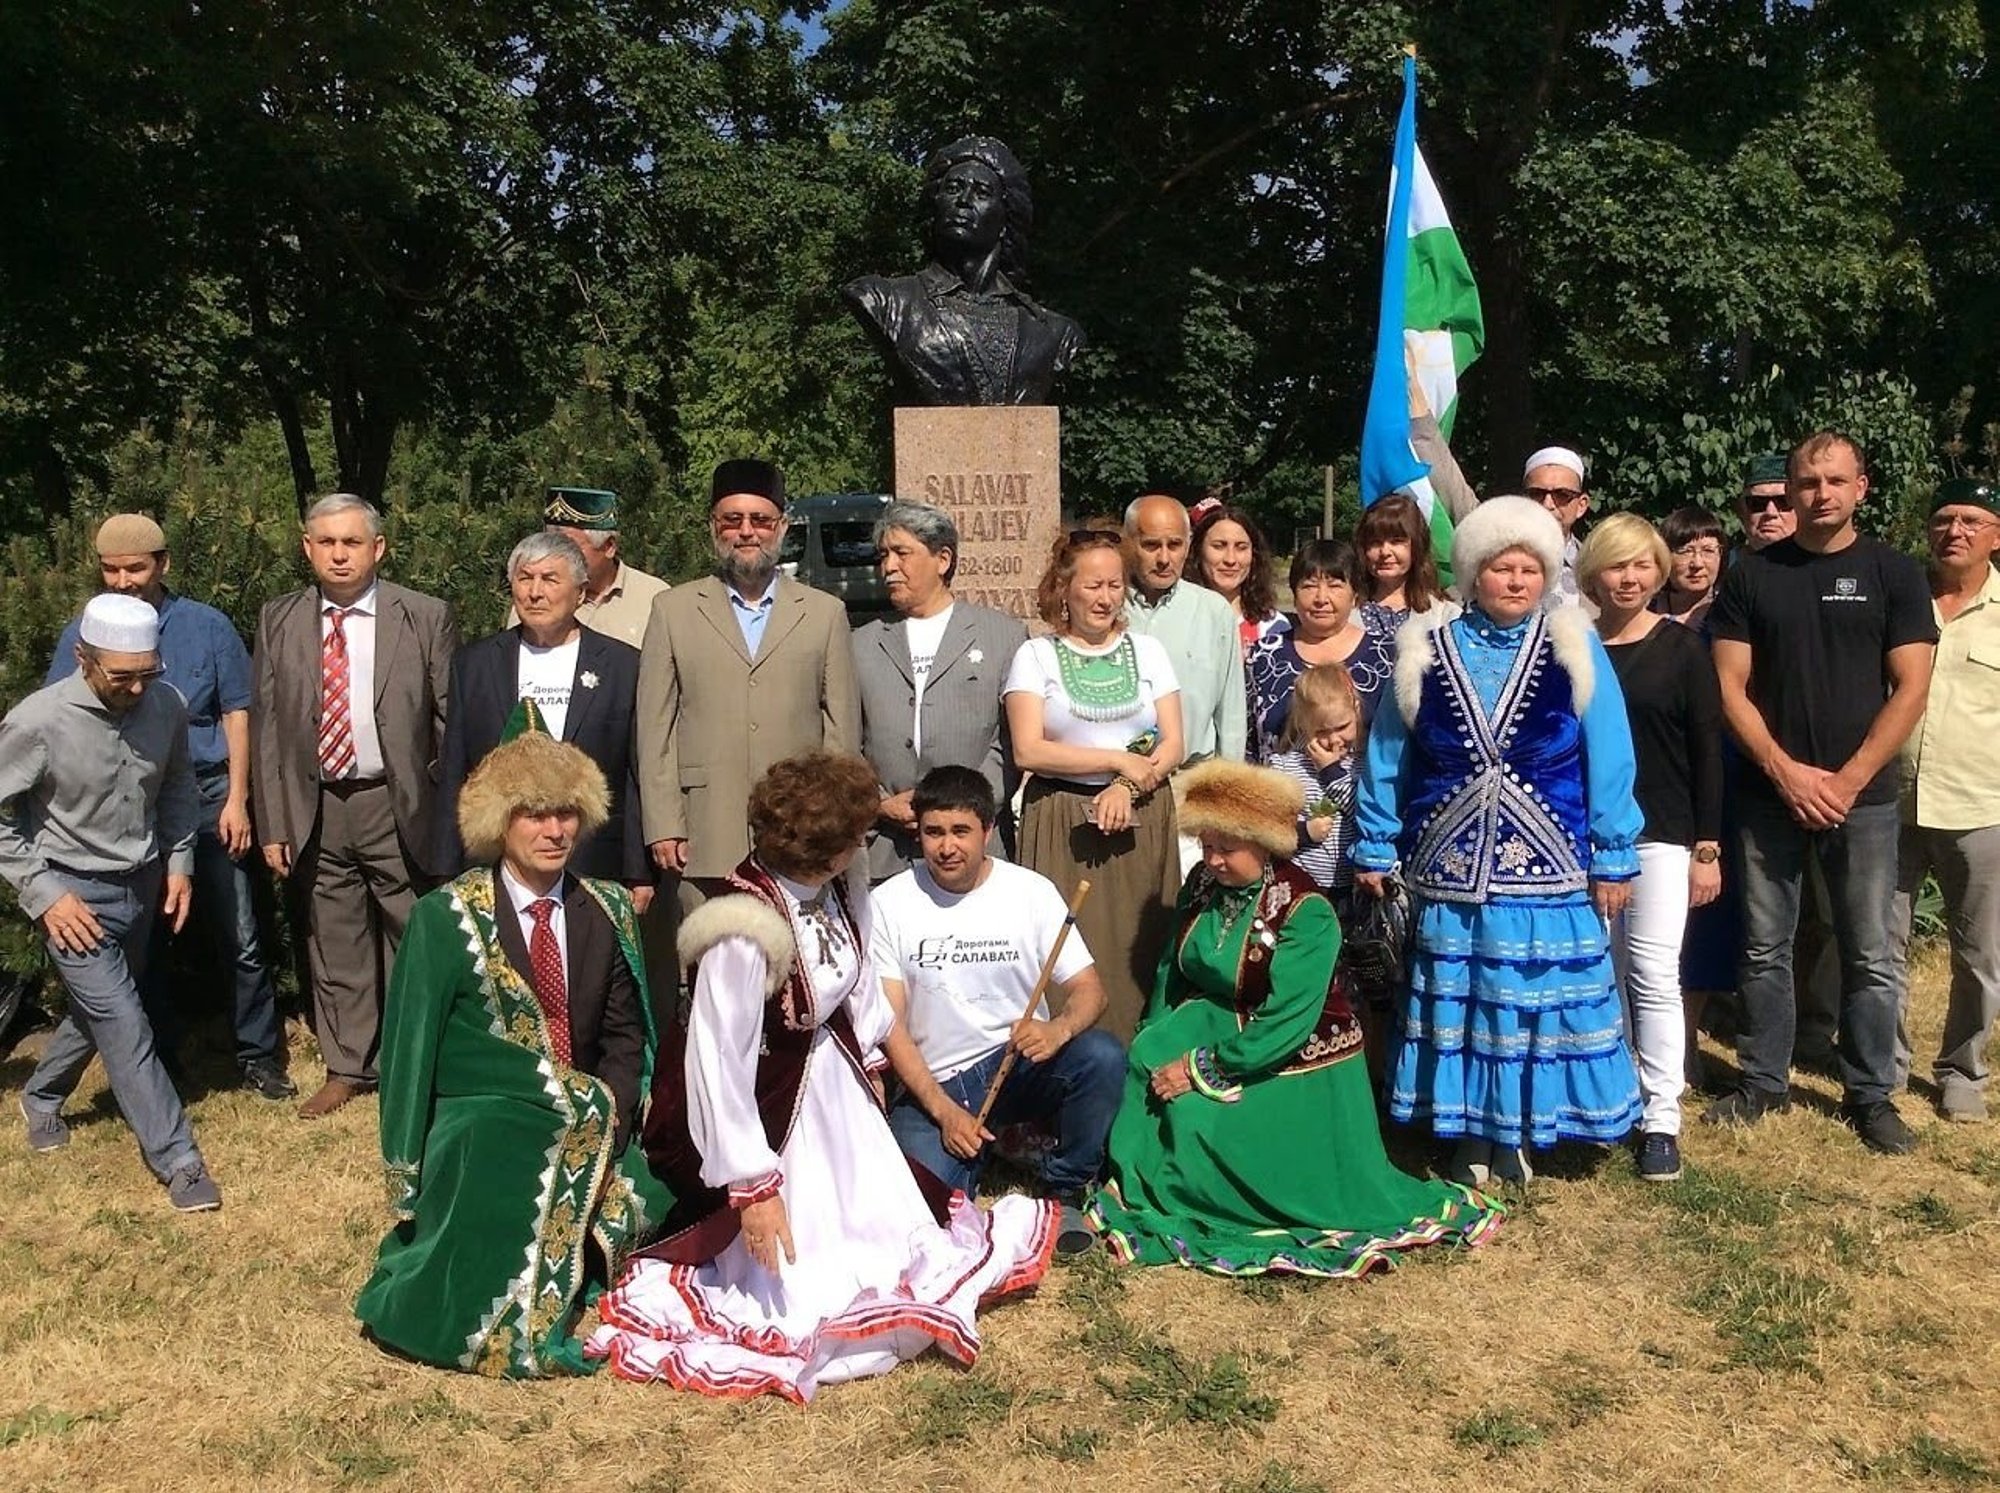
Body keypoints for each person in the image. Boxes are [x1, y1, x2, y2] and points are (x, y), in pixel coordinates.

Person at [588, 754, 1055, 1402]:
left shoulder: (840, 883)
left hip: (833, 1086)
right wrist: (753, 1187)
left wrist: (870, 1056)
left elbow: (856, 983)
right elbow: (717, 1064)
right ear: (822, 847)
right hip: (766, 1106)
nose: (863, 845)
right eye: (852, 836)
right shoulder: (742, 928)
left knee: (884, 1232)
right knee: (800, 1278)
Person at [1088, 758, 1505, 1274]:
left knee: (1197, 1117)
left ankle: (1212, 1194)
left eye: (1227, 848)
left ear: (1264, 841)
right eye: (1207, 845)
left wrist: (1199, 1069)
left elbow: (1288, 1021)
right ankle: (1136, 1181)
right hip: (1225, 1020)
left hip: (1295, 1052)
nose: (1213, 859)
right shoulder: (1201, 884)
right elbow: (1173, 966)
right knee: (1147, 1055)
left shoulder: (1305, 911)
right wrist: (1158, 1027)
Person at [355, 723, 669, 1375]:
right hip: (480, 1120)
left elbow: (622, 1037)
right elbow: (410, 1050)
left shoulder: (607, 907)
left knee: (676, 1174)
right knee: (502, 1144)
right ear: (501, 822)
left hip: (585, 1115)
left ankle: (590, 1252)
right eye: (533, 813)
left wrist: (607, 1114)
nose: (553, 829)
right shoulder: (444, 917)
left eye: (565, 812)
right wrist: (404, 1172)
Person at [1354, 497, 1644, 1188]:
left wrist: (1613, 850)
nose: (1516, 581)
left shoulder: (1573, 642)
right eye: (1501, 569)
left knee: (1525, 1000)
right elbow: (1389, 752)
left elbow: (1609, 751)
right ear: (1474, 573)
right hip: (1450, 866)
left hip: (1548, 865)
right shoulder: (1427, 645)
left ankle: (1518, 1130)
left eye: (1529, 569)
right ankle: (1468, 1134)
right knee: (1470, 996)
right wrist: (1373, 840)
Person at [1703, 432, 1937, 1154]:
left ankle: (1871, 1095)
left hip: (1859, 800)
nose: (1820, 494)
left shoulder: (1894, 573)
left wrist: (1845, 779)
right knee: (1765, 946)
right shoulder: (1752, 574)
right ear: (1792, 489)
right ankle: (1763, 1080)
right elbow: (1729, 687)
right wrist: (1787, 772)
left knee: (1868, 949)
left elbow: (1911, 687)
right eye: (1807, 482)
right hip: (1771, 796)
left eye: (1835, 480)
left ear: (1861, 486)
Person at [45, 514, 292, 1100]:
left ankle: (258, 1054)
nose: (123, 580)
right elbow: (58, 713)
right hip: (127, 807)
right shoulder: (84, 631)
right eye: (111, 569)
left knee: (239, 933)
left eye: (136, 567)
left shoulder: (206, 626)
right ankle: (160, 1059)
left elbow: (238, 711)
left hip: (207, 795)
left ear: (163, 564)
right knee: (141, 941)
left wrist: (238, 798)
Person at [5, 594, 217, 1210]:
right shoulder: (38, 720)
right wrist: (44, 894)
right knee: (125, 1023)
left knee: (97, 1012)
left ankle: (42, 1095)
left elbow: (177, 786)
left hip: (143, 885)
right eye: (120, 675)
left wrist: (179, 863)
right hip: (72, 895)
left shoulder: (167, 705)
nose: (134, 688)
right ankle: (179, 1161)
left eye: (146, 672)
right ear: (83, 658)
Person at [252, 493, 457, 1118]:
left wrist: (452, 815)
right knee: (332, 937)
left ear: (378, 549)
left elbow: (450, 721)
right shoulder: (279, 619)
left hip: (397, 801)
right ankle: (349, 1066)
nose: (339, 554)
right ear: (307, 548)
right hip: (317, 804)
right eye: (327, 542)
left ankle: (417, 1056)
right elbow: (266, 726)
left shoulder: (423, 615)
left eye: (352, 542)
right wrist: (274, 819)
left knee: (411, 931)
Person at [873, 766, 1123, 1250]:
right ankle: (998, 1151)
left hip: (1022, 1064)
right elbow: (891, 1025)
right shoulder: (888, 902)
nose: (947, 847)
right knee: (926, 1218)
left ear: (988, 831)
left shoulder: (1030, 892)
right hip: (937, 1083)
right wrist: (945, 1113)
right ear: (918, 832)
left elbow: (1091, 991)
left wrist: (1059, 1030)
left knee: (1102, 1056)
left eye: (961, 831)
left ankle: (1065, 1186)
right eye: (934, 832)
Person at [635, 458, 860, 912]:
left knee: (793, 971)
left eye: (760, 520)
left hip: (800, 831)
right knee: (709, 969)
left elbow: (841, 732)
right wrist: (663, 822)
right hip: (705, 830)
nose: (746, 532)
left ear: (782, 527)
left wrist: (831, 820)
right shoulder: (672, 609)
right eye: (732, 520)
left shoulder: (824, 613)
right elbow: (654, 728)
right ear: (712, 527)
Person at [1579, 515, 1724, 1182]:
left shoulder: (1683, 648)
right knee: (1600, 972)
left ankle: (1662, 1115)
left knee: (1652, 971)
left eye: (1642, 565)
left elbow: (1706, 751)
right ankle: (1613, 1098)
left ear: (1659, 570)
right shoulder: (1573, 647)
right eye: (1617, 565)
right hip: (1584, 839)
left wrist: (1707, 845)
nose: (1630, 577)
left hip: (1664, 835)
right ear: (1595, 574)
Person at [1006, 529, 1185, 1038]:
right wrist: (1113, 760)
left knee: (1140, 952)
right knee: (1064, 953)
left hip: (1142, 814)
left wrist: (1127, 787)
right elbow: (1029, 749)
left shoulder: (1147, 651)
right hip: (1064, 821)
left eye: (1114, 584)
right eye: (1092, 586)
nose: (1105, 597)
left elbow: (1172, 742)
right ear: (1064, 588)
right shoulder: (1035, 656)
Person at [435, 533, 649, 898]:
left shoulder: (622, 665)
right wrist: (445, 867)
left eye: (550, 579)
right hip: (498, 863)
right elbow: (455, 764)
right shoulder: (475, 664)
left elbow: (633, 774)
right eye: (525, 578)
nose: (535, 592)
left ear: (580, 593)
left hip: (594, 861)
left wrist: (638, 871)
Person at [1890, 477, 2000, 1123]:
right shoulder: (1902, 599)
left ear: (1994, 534)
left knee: (1980, 955)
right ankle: (1887, 1065)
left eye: (1970, 520)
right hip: (1892, 801)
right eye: (1944, 519)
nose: (1954, 531)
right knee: (1883, 947)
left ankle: (1962, 1070)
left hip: (1981, 803)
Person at [852, 500, 1026, 881]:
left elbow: (1009, 744)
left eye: (902, 553)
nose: (888, 567)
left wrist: (959, 811)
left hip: (974, 849)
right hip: (886, 850)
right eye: (884, 555)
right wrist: (878, 803)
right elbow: (845, 743)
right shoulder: (860, 643)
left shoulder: (1003, 637)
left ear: (942, 559)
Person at [842, 136, 1086, 406]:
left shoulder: (1053, 333)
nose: (964, 200)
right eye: (953, 188)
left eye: (982, 193)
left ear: (1007, 220)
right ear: (935, 205)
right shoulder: (886, 300)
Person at [1122, 493, 1246, 767]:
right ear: (1129, 544)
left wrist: (1227, 790)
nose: (1164, 558)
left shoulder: (1214, 612)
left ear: (1189, 545)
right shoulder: (1109, 608)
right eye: (1151, 545)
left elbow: (1232, 714)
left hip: (1190, 781)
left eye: (1175, 545)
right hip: (1115, 781)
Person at [1247, 540, 1395, 761]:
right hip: (1274, 791)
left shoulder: (1386, 657)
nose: (1321, 598)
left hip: (1360, 793)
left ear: (1355, 594)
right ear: (1294, 594)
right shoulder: (1263, 655)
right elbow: (1246, 738)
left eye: (1335, 585)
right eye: (1309, 586)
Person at [507, 486, 670, 650]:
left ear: (609, 547)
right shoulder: (535, 602)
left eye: (571, 547)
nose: (557, 558)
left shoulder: (654, 598)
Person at [1262, 663, 1362, 897]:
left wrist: (1331, 772)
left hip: (1351, 887)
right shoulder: (1285, 766)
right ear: (1303, 724)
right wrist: (1304, 832)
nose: (1334, 740)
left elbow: (1363, 813)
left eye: (1342, 727)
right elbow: (1269, 829)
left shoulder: (1364, 763)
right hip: (1300, 886)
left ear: (1356, 710)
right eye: (1321, 732)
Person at [1188, 501, 1286, 651]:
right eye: (1219, 546)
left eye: (1241, 548)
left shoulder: (1274, 627)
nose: (1230, 559)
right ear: (1198, 551)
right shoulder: (1178, 620)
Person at [1356, 493, 1457, 635]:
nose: (1385, 552)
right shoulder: (1345, 614)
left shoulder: (1446, 616)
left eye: (1396, 541)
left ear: (1417, 545)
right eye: (1375, 542)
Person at [1521, 446, 1591, 606]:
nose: (1548, 504)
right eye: (1537, 494)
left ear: (1581, 505)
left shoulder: (1597, 567)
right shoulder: (1497, 557)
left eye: (1562, 495)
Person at [1656, 506, 1726, 632]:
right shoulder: (1642, 611)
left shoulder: (1732, 612)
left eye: (1708, 550)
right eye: (1685, 551)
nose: (1697, 564)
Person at [1736, 453, 1798, 553]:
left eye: (1783, 501)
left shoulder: (1824, 565)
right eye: (1758, 503)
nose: (1770, 512)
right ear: (1742, 511)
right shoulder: (1722, 566)